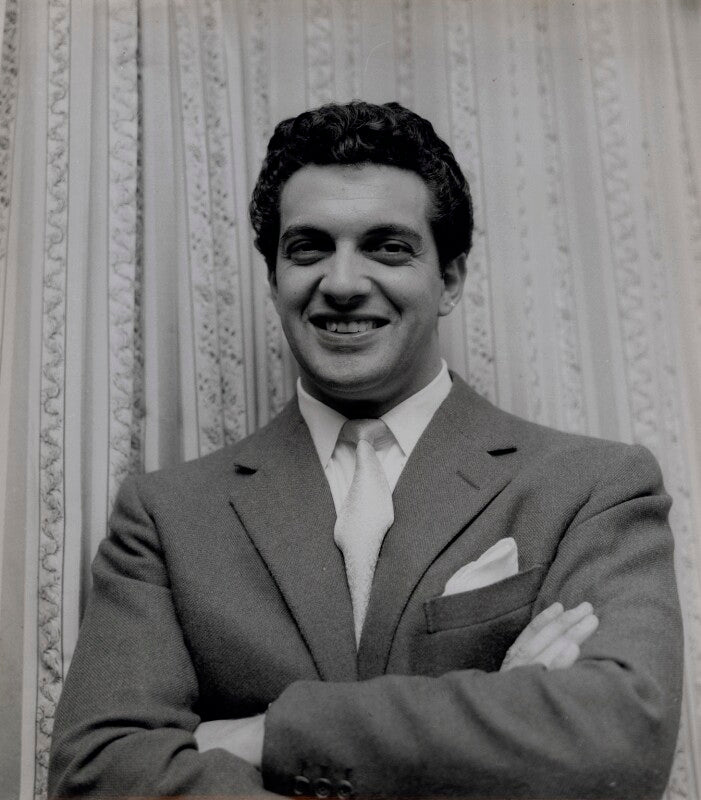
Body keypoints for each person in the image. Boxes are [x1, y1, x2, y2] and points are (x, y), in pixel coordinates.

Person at [48, 101, 682, 799]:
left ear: (450, 279)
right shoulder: (167, 515)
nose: (343, 284)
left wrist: (266, 735)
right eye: (308, 248)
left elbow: (621, 738)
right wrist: (495, 720)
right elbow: (96, 775)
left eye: (387, 248)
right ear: (274, 280)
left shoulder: (591, 487)